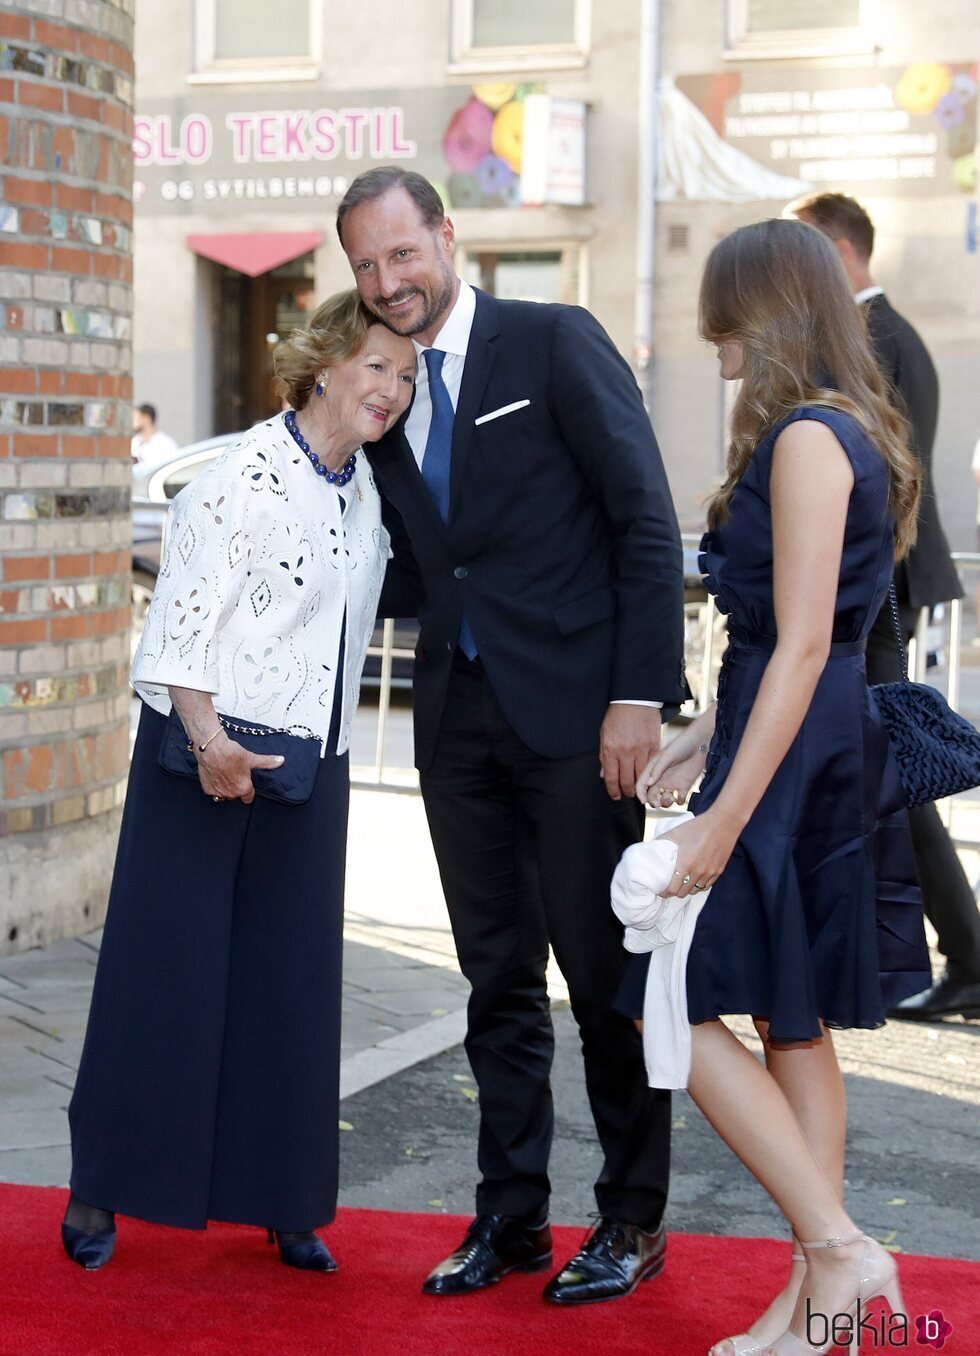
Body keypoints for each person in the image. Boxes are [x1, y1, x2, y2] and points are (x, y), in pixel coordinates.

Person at [337, 167, 688, 1304]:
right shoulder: (384, 393)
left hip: (581, 723)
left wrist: (640, 693)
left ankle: (631, 1221)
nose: (388, 283)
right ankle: (511, 1215)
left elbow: (643, 515)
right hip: (454, 720)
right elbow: (411, 561)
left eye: (401, 254)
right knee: (494, 979)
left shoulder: (550, 342)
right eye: (365, 267)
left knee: (601, 980)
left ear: (446, 236)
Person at [62, 291, 416, 1272]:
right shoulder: (241, 475)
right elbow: (180, 619)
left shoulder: (365, 489)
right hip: (203, 753)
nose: (390, 388)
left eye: (405, 374)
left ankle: (280, 1197)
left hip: (315, 760)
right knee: (163, 978)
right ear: (325, 366)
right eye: (374, 366)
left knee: (289, 989)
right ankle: (103, 1192)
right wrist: (210, 741)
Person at [630, 218, 925, 1355]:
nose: (714, 344)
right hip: (796, 738)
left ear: (770, 313)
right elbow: (791, 641)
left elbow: (801, 643)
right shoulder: (841, 429)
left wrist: (720, 816)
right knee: (789, 1021)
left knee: (678, 999)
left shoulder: (806, 437)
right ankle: (819, 1306)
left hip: (795, 757)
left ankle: (842, 1250)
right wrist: (705, 732)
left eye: (724, 321)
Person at [789, 191, 980, 1024]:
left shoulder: (873, 339)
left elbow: (880, 480)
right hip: (879, 589)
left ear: (837, 251)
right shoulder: (888, 333)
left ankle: (966, 955)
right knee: (880, 773)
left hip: (874, 594)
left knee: (891, 774)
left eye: (800, 256)